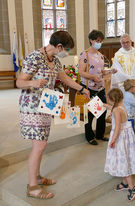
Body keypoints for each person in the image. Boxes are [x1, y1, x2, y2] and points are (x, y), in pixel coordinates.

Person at [16, 31, 90, 199]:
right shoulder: (35, 57)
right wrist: (33, 82)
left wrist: (82, 88)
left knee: (42, 144)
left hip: (47, 104)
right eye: (67, 49)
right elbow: (19, 82)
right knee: (40, 145)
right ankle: (32, 187)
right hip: (32, 105)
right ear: (59, 46)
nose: (67, 53)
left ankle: (37, 176)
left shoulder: (55, 60)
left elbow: (64, 78)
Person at [104, 88, 135, 201]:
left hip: (120, 138)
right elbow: (114, 109)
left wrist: (113, 140)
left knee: (124, 162)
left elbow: (117, 128)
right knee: (126, 158)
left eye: (109, 100)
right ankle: (125, 183)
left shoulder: (116, 110)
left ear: (113, 100)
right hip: (127, 138)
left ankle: (132, 188)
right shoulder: (121, 106)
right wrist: (105, 105)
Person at [78, 30, 111, 145]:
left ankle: (100, 135)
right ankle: (89, 136)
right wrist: (93, 77)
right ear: (91, 40)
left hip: (100, 87)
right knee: (90, 114)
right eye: (97, 41)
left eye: (101, 41)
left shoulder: (100, 55)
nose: (99, 43)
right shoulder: (85, 54)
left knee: (102, 112)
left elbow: (100, 71)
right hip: (89, 87)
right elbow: (81, 72)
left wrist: (109, 71)